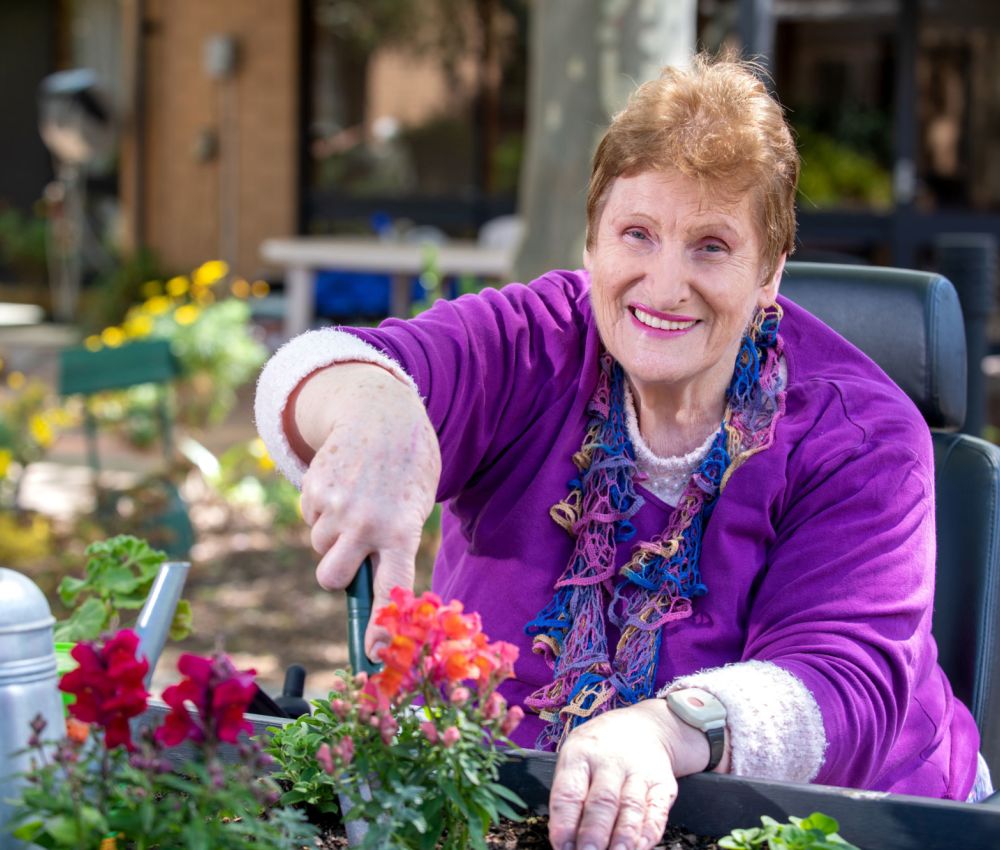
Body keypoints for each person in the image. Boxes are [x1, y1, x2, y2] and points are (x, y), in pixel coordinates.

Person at [255, 53, 991, 850]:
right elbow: (316, 368)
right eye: (636, 234)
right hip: (518, 808)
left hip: (847, 821)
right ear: (592, 245)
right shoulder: (535, 341)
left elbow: (845, 687)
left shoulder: (862, 433)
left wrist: (663, 731)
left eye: (711, 246)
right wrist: (374, 409)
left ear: (772, 271)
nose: (664, 285)